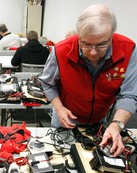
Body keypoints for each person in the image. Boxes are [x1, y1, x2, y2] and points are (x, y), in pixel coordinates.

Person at [39, 4, 137, 157]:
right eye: (85, 44)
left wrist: (116, 125)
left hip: (99, 120)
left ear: (112, 35)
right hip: (66, 119)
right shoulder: (61, 50)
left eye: (101, 45)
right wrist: (59, 109)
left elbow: (129, 94)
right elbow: (47, 82)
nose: (93, 52)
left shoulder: (128, 49)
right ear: (79, 35)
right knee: (62, 159)